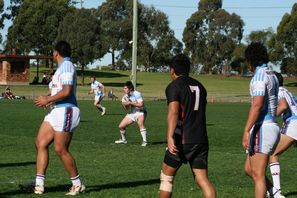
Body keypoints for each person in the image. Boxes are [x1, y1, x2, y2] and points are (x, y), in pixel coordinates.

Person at [159, 54, 216, 198]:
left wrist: (170, 136)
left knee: (166, 177)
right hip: (201, 139)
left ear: (172, 70)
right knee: (202, 180)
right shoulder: (200, 86)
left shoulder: (174, 86)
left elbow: (173, 112)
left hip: (182, 139)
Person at [33, 41, 85, 195]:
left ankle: (77, 184)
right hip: (56, 110)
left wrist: (47, 100)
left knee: (60, 149)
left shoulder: (67, 66)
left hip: (66, 110)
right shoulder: (61, 69)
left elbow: (67, 91)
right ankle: (39, 184)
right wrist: (47, 98)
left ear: (56, 53)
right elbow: (59, 90)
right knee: (40, 143)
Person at [242, 42, 280, 198]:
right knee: (249, 169)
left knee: (258, 175)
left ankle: (273, 193)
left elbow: (257, 105)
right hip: (272, 126)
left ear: (251, 59)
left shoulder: (259, 76)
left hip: (263, 127)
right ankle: (274, 193)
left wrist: (246, 130)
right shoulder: (272, 74)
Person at [268, 72, 295, 198]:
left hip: (293, 125)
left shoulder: (278, 91)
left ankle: (276, 191)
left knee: (273, 153)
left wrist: (270, 117)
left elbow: (283, 106)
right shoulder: (288, 91)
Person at [115, 81, 148, 146]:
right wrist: (125, 104)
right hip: (133, 113)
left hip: (141, 111)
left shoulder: (137, 94)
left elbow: (141, 105)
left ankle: (145, 141)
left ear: (130, 89)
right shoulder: (125, 97)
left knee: (140, 123)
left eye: (125, 88)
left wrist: (130, 103)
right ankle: (123, 140)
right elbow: (126, 109)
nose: (124, 90)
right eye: (123, 88)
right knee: (121, 126)